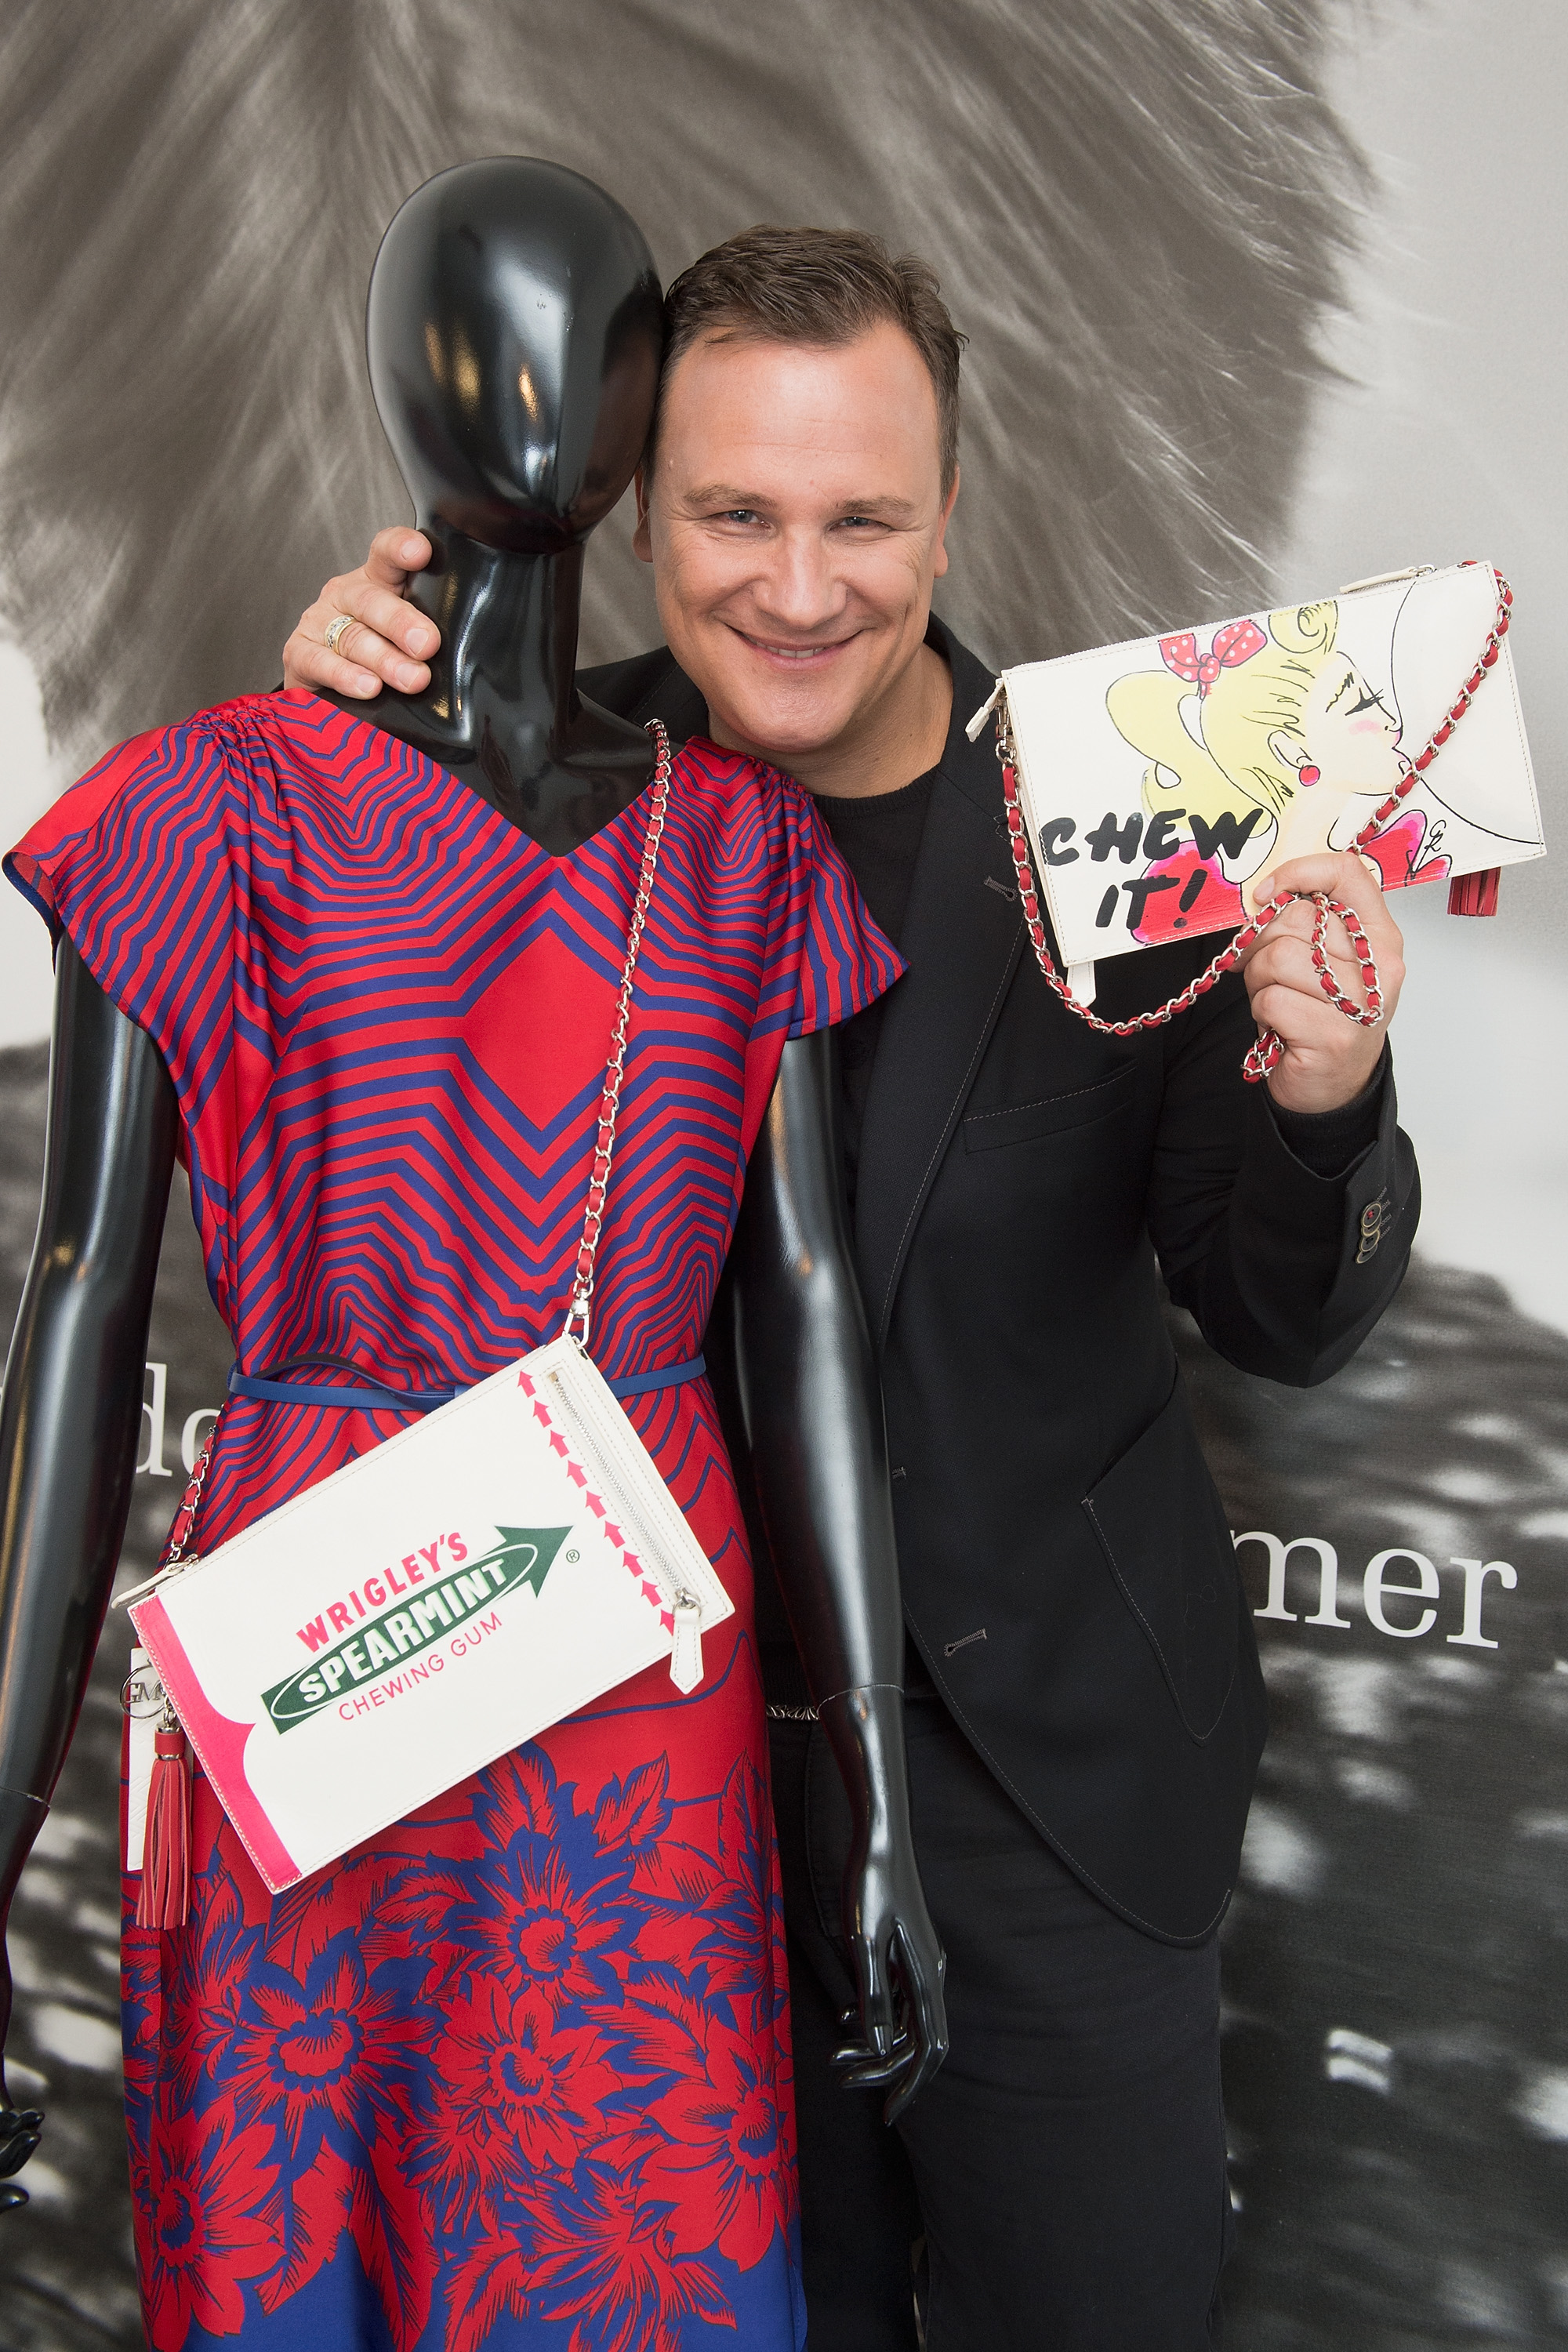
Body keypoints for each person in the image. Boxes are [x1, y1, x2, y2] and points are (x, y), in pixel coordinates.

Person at [288, 223, 1419, 2351]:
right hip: (630, 1812)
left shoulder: (1139, 813)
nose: (798, 590)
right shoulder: (513, 786)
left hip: (1047, 1806)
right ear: (635, 505)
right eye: (734, 513)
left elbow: (1288, 1319)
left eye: (862, 519)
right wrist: (360, 739)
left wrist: (1329, 1084)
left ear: (950, 511)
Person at [0, 172, 949, 2351]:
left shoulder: (745, 846)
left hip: (633, 1664)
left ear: (643, 408)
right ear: (385, 378)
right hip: (315, 1650)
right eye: (468, 340)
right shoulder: (204, 807)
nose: (521, 400)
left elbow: (799, 1312)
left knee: (624, 2261)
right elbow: (72, 1311)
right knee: (298, 2243)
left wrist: (868, 1790)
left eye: (579, 348)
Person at [1107, 598, 1449, 931]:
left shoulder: (1404, 850)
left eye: (1373, 700)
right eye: (1361, 706)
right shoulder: (1185, 895)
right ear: (1291, 751)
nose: (1391, 723)